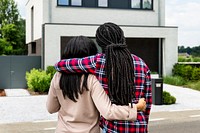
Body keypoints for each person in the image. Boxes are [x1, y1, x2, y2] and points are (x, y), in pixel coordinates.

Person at [55, 23, 152, 133]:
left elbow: (61, 65)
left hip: (112, 128)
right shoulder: (142, 64)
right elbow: (147, 102)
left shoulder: (97, 62)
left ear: (100, 44)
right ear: (122, 38)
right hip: (138, 126)